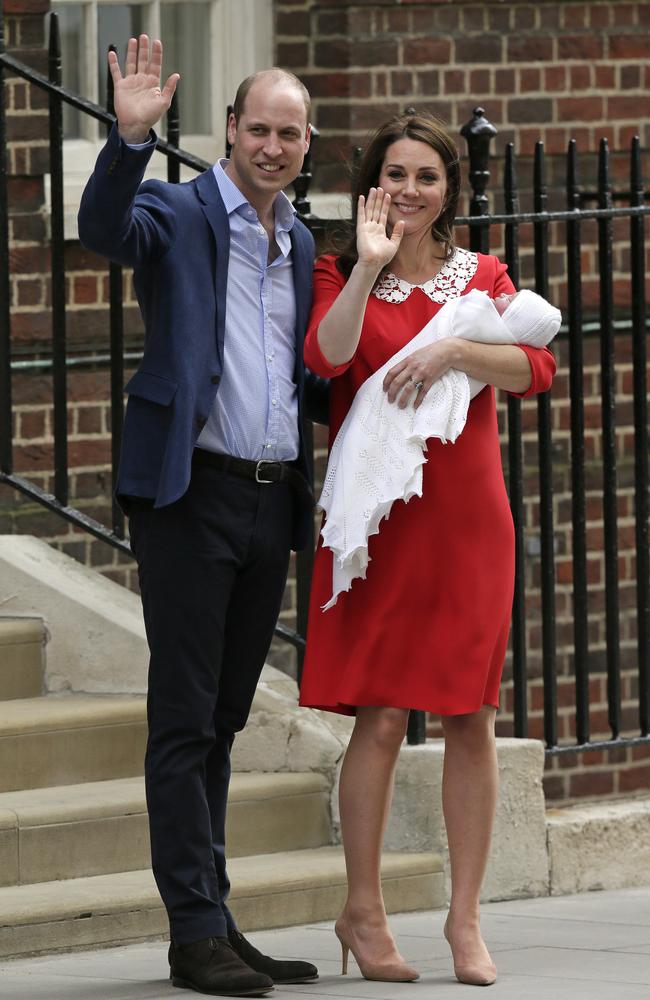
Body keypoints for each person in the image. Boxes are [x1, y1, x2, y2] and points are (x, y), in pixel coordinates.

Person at [78, 34, 323, 997]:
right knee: (184, 718)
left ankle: (216, 913)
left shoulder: (297, 239)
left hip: (271, 500)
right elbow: (104, 229)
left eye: (289, 132)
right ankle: (192, 933)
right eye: (256, 127)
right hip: (189, 495)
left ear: (307, 143)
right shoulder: (176, 212)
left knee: (224, 718)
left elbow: (297, 372)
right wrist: (128, 138)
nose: (271, 144)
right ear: (228, 129)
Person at [298, 112, 556, 988]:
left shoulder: (480, 276)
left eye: (427, 178)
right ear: (372, 183)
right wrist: (369, 266)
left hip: (466, 523)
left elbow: (537, 369)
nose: (410, 190)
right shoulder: (339, 268)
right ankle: (362, 912)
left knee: (472, 717)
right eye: (395, 175)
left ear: (452, 190)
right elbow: (328, 358)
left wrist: (454, 346)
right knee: (380, 715)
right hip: (379, 526)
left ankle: (466, 919)